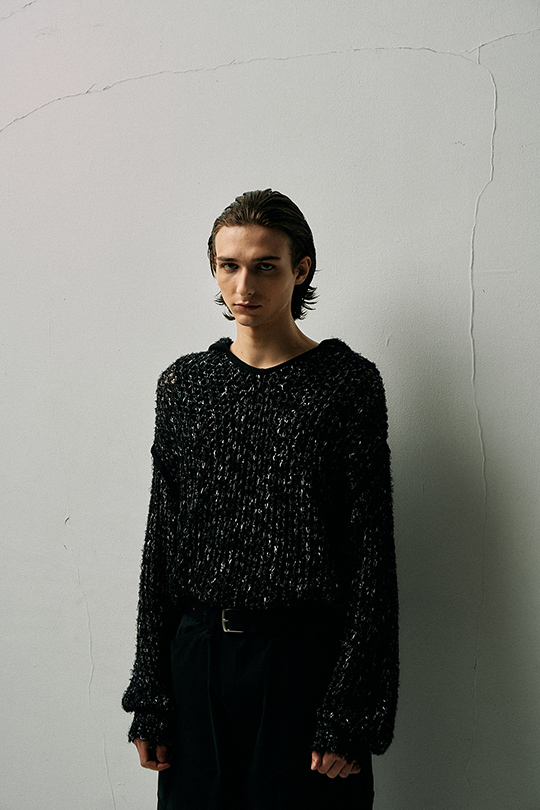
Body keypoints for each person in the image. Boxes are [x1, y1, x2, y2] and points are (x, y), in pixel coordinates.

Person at [122, 189, 399, 809]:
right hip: (198, 662)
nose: (243, 286)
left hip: (303, 667)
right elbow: (160, 543)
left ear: (301, 269)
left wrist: (350, 710)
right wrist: (151, 695)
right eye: (229, 265)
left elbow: (370, 559)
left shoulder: (346, 385)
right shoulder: (185, 386)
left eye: (265, 266)